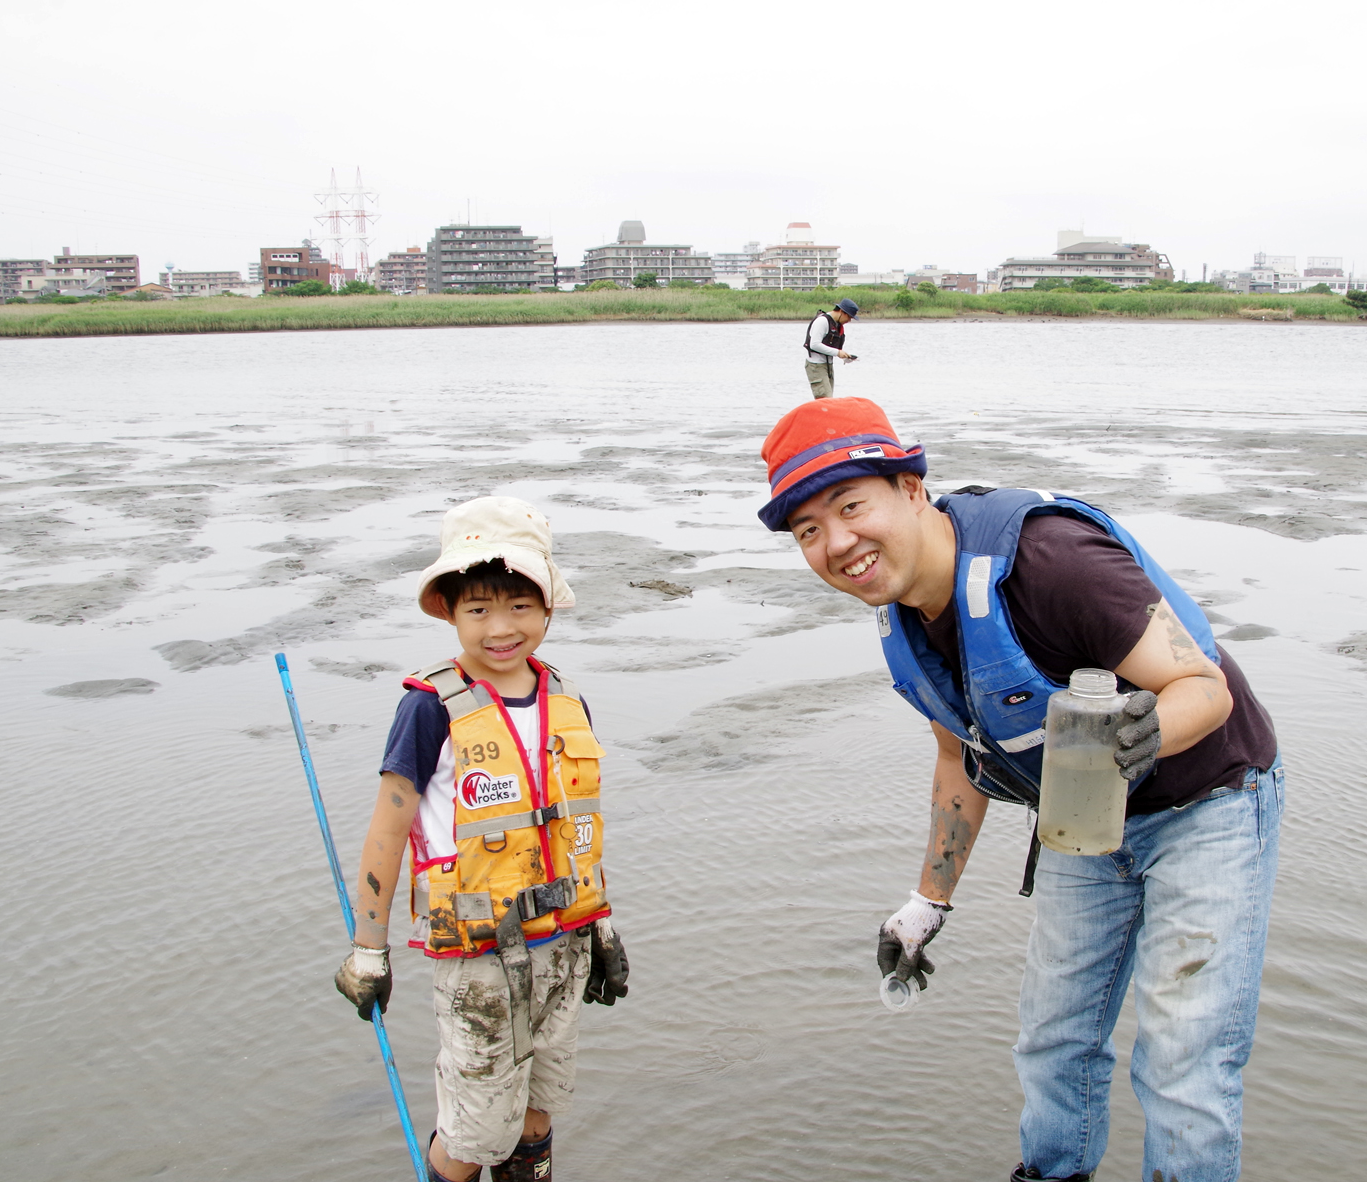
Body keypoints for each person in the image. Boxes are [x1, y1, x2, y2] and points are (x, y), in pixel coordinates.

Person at [755, 399, 1282, 1182]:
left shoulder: (1053, 562)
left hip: (1210, 797)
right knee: (1053, 1036)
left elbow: (1205, 690)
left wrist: (1145, 734)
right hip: (1082, 819)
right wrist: (928, 900)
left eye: (850, 505)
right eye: (807, 531)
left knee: (1182, 1055)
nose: (837, 543)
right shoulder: (904, 617)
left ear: (910, 486)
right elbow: (954, 757)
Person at [334, 495, 630, 1182]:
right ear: (449, 610)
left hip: (564, 946)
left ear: (549, 604)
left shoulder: (566, 697)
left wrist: (604, 928)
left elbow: (577, 833)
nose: (501, 628)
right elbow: (388, 828)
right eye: (479, 609)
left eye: (521, 606)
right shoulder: (428, 708)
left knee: (538, 1111)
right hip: (478, 961)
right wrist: (367, 951)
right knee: (475, 1134)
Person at [802, 298, 859, 398]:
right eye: (849, 317)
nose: (849, 320)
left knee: (829, 400)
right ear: (842, 312)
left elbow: (830, 348)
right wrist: (837, 352)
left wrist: (844, 356)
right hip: (816, 366)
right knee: (825, 400)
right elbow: (814, 344)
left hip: (828, 365)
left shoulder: (836, 325)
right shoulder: (822, 321)